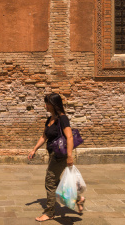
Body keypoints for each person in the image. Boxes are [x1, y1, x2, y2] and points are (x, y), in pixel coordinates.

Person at [28, 93, 85, 222]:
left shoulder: (62, 118)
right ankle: (77, 198)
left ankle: (49, 213)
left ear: (53, 104)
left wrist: (70, 156)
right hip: (53, 154)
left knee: (50, 181)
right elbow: (44, 136)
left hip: (61, 155)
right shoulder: (50, 119)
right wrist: (34, 149)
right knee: (55, 182)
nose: (45, 105)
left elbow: (69, 137)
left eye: (47, 103)